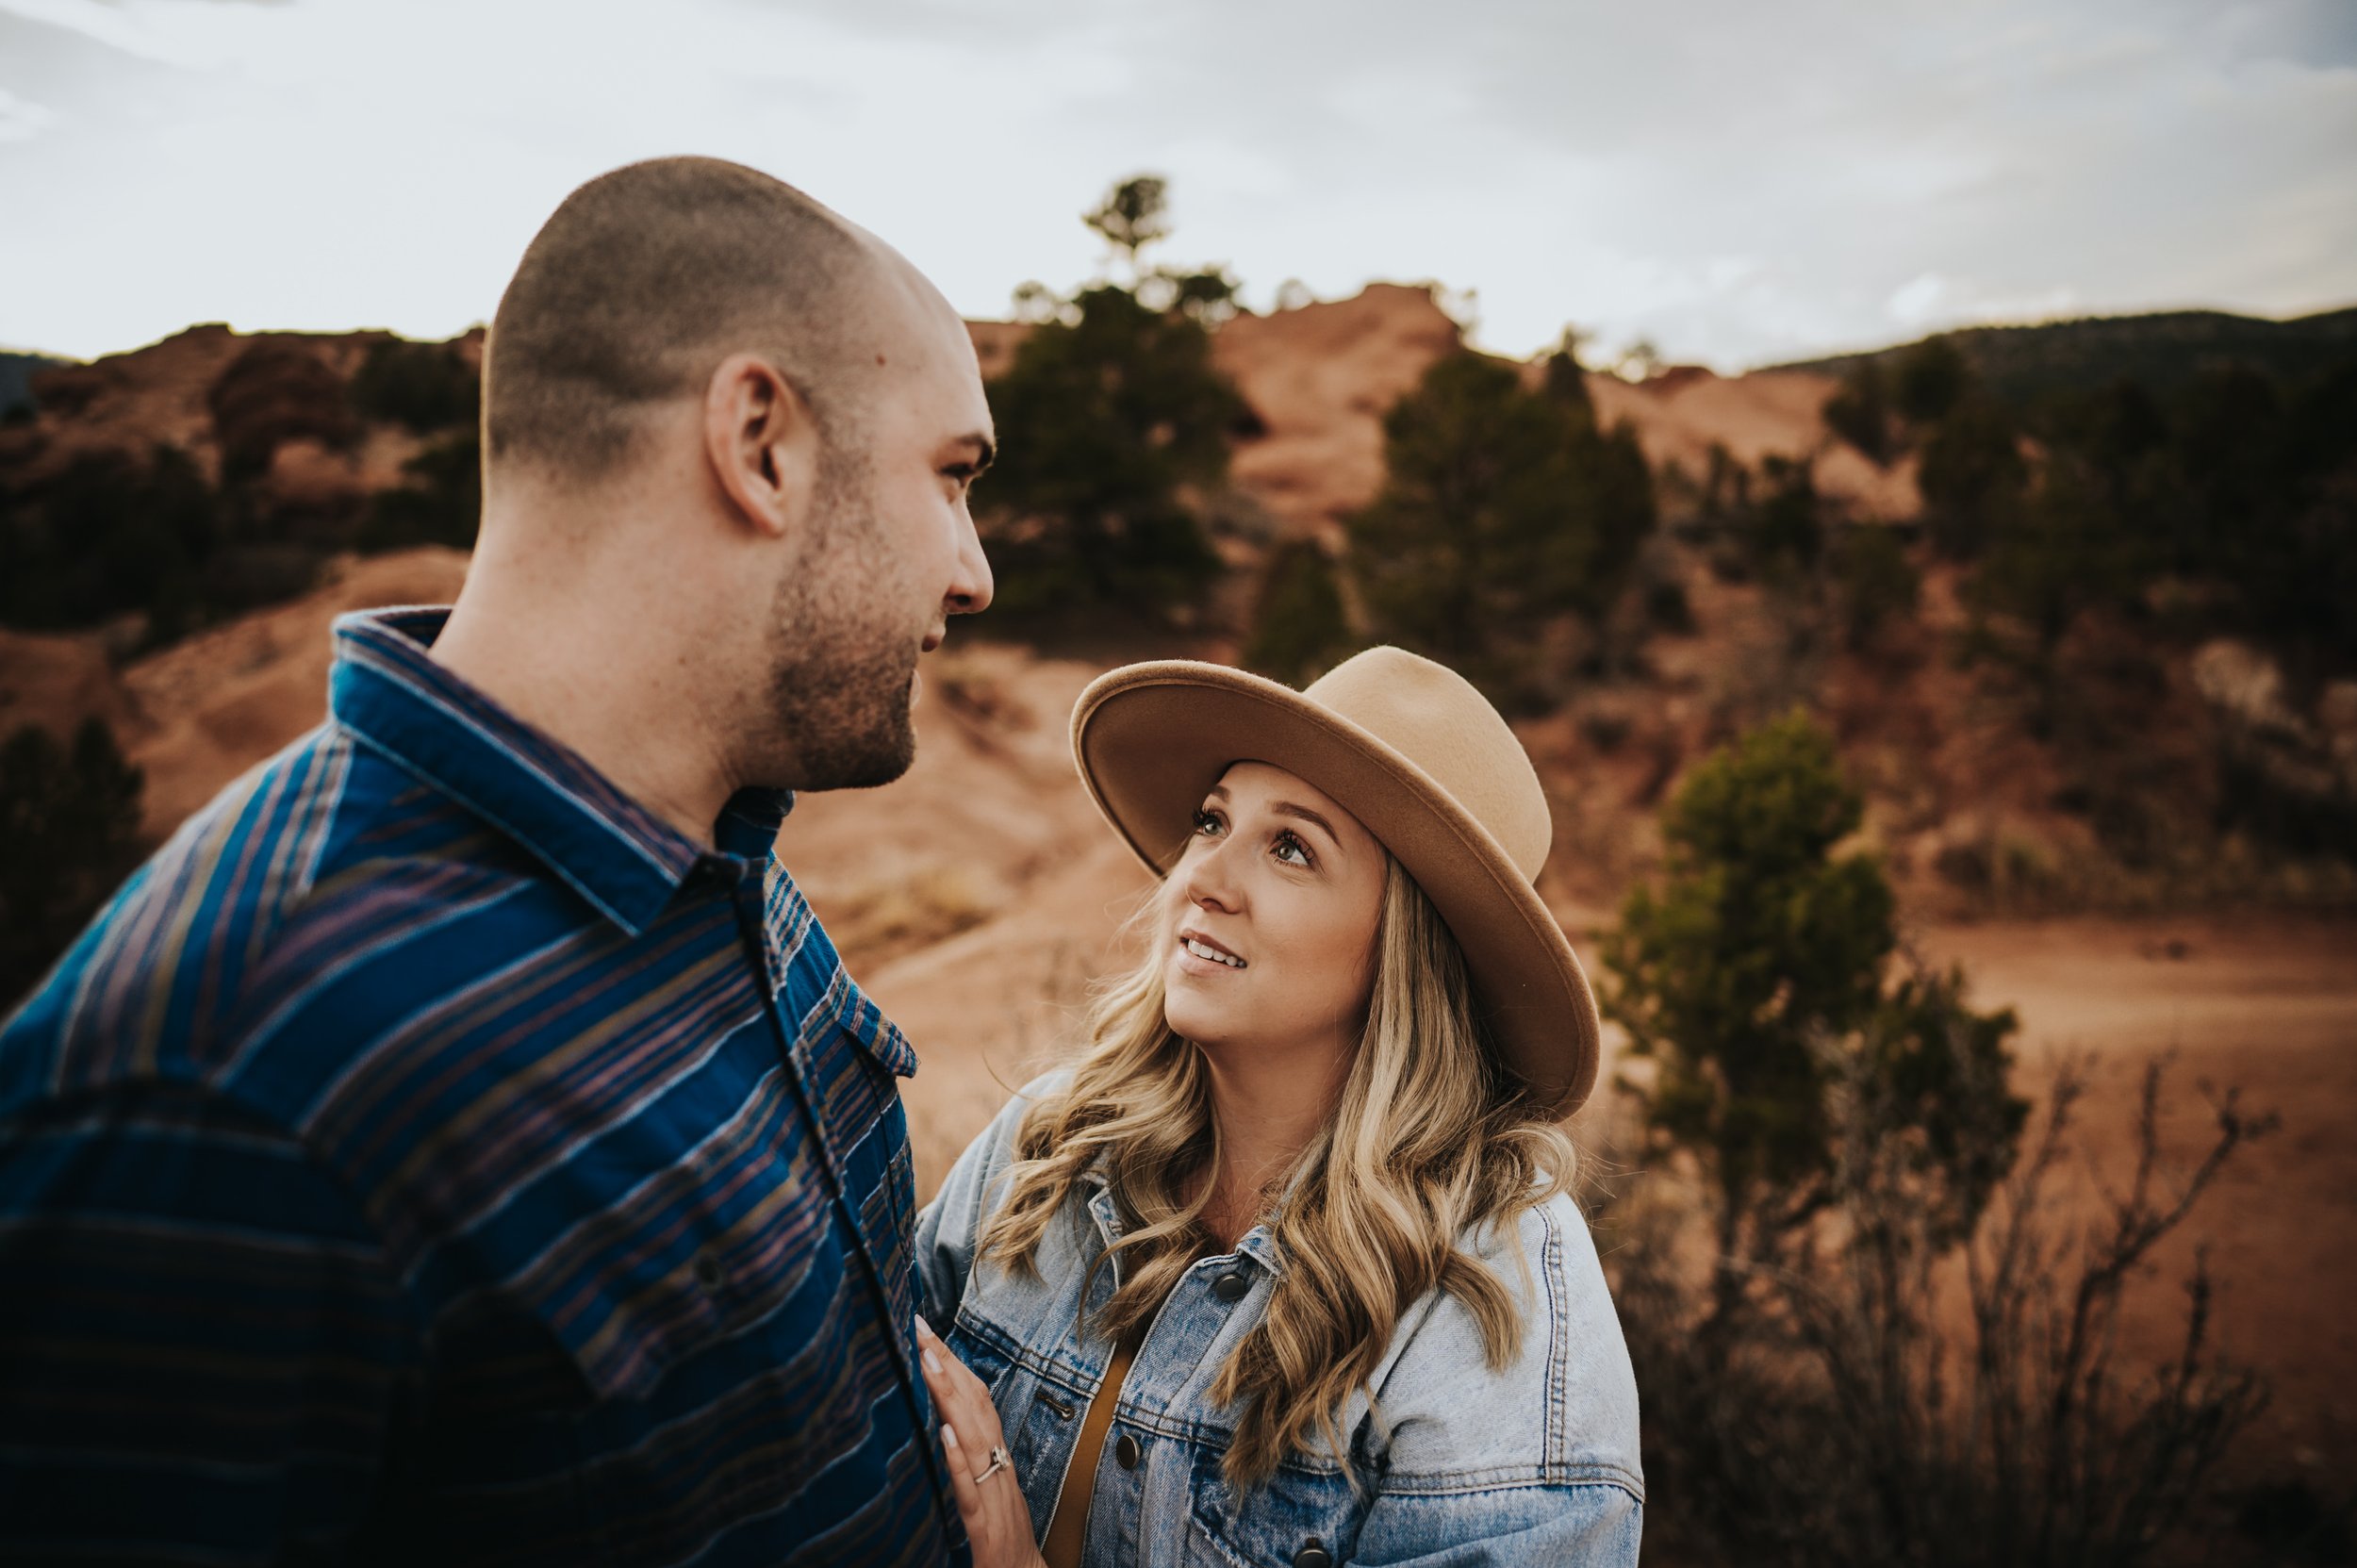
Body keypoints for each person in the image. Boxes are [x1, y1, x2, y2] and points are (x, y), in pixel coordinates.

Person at [0, 157, 994, 1565]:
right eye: (952, 478)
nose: (973, 569)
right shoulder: (228, 1080)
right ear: (760, 440)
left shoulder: (713, 847)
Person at [913, 648, 1643, 1567]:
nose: (1201, 877)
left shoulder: (1494, 1304)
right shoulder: (1048, 1145)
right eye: (1211, 821)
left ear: (1402, 950)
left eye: (1290, 847)